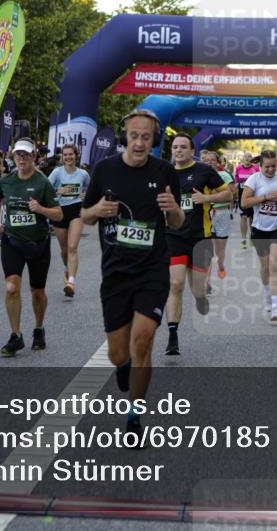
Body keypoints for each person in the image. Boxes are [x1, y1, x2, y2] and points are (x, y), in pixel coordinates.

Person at [81, 109, 183, 438]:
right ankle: (123, 366)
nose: (139, 143)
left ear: (155, 141)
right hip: (115, 272)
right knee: (118, 353)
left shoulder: (166, 171)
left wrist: (174, 210)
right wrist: (96, 210)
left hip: (152, 269)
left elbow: (178, 222)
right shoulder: (104, 169)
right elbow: (85, 215)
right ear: (126, 136)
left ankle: (134, 418)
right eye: (134, 136)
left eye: (146, 137)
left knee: (142, 342)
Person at [0, 138, 62, 357]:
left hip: (38, 243)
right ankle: (16, 335)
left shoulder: (43, 183)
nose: (21, 159)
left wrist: (41, 209)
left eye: (26, 155)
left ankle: (39, 328)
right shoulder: (7, 180)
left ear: (34, 157)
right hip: (12, 241)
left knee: (38, 292)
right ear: (13, 157)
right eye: (18, 155)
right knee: (11, 287)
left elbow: (58, 213)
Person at [162, 135, 230, 355]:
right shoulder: (164, 173)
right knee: (175, 284)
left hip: (200, 237)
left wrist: (206, 199)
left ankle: (200, 298)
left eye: (183, 147)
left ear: (192, 149)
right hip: (173, 237)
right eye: (175, 147)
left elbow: (229, 194)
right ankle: (173, 336)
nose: (179, 150)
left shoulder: (203, 171)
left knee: (197, 289)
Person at [240, 149, 277, 323]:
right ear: (260, 166)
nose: (271, 170)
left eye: (274, 166)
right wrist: (265, 197)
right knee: (265, 267)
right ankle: (267, 292)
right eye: (267, 167)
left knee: (274, 264)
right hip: (259, 228)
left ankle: (276, 306)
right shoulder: (254, 180)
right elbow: (244, 203)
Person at [48, 143, 90, 299]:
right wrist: (58, 190)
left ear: (76, 156)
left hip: (76, 211)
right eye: (65, 155)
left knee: (72, 247)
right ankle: (67, 269)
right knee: (65, 250)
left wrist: (86, 195)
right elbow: (46, 187)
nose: (68, 157)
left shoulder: (83, 174)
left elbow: (90, 188)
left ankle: (71, 282)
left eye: (70, 154)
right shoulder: (57, 172)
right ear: (62, 157)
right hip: (60, 212)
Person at [201, 150, 234, 286]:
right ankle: (207, 282)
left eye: (212, 160)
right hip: (206, 215)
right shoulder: (199, 175)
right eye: (206, 160)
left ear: (217, 162)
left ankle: (221, 264)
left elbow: (232, 192)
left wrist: (214, 193)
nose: (209, 162)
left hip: (221, 214)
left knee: (219, 250)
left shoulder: (224, 175)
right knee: (207, 249)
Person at [233, 152, 260, 248]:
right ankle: (243, 240)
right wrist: (235, 190)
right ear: (242, 159)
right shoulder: (238, 168)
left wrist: (255, 175)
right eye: (245, 157)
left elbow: (259, 181)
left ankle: (252, 236)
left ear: (252, 159)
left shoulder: (256, 168)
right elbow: (236, 182)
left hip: (252, 196)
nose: (247, 158)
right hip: (242, 196)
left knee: (251, 218)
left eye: (249, 157)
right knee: (243, 217)